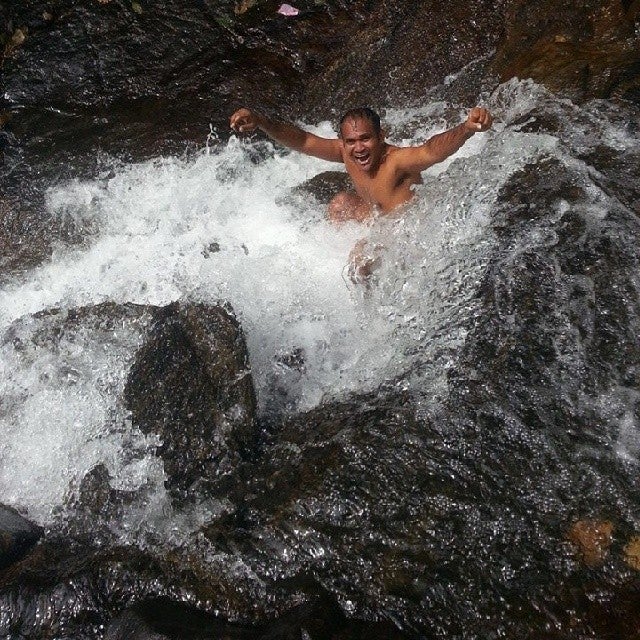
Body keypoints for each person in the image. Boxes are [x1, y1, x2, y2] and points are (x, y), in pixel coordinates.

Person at [229, 105, 493, 223]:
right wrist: (261, 121)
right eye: (351, 141)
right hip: (375, 219)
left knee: (360, 263)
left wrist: (467, 129)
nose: (359, 148)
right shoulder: (346, 153)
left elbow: (431, 151)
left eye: (366, 139)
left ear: (381, 137)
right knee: (341, 204)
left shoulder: (397, 161)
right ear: (342, 142)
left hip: (404, 229)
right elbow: (303, 140)